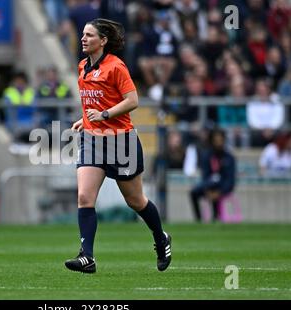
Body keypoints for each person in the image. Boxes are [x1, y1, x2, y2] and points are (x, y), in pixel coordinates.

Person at [64, 18, 172, 274]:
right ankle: (86, 256)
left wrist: (104, 115)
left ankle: (160, 238)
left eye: (89, 35)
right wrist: (85, 119)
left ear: (103, 41)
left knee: (135, 201)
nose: (83, 38)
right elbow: (94, 102)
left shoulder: (116, 66)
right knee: (84, 197)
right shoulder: (82, 67)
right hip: (92, 140)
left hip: (120, 141)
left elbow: (132, 100)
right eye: (83, 34)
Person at [189, 129, 236, 222]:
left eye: (220, 140)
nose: (218, 143)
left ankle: (215, 217)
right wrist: (207, 189)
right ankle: (198, 219)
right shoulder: (206, 156)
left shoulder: (229, 158)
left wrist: (220, 192)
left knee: (216, 194)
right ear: (212, 141)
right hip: (209, 185)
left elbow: (230, 180)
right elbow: (205, 176)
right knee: (193, 192)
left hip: (222, 186)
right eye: (216, 141)